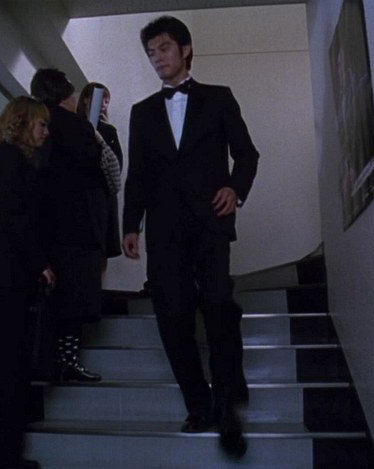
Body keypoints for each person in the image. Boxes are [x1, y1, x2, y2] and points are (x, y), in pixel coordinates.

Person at [121, 15, 259, 459]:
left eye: (163, 48)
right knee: (172, 315)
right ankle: (198, 404)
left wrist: (235, 189)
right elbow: (137, 175)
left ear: (185, 49)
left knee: (218, 305)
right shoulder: (142, 112)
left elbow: (247, 154)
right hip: (164, 229)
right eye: (151, 53)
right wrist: (130, 225)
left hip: (211, 221)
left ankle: (227, 404)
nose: (157, 58)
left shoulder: (219, 98)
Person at [0, 96, 55, 469]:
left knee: (12, 362)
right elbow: (13, 216)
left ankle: (5, 452)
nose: (46, 132)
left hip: (6, 274)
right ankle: (1, 455)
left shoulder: (14, 159)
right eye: (41, 124)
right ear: (23, 124)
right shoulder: (9, 158)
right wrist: (41, 263)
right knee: (9, 364)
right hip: (5, 274)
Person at [30, 68, 108, 383]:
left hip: (45, 226)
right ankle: (68, 360)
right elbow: (96, 168)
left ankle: (47, 363)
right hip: (78, 226)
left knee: (51, 301)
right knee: (75, 300)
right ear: (64, 94)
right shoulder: (77, 126)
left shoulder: (37, 124)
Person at [76, 82, 123, 269]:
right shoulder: (75, 127)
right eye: (102, 99)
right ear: (86, 99)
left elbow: (117, 165)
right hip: (83, 197)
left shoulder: (108, 131)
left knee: (101, 252)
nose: (104, 104)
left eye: (107, 101)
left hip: (103, 197)